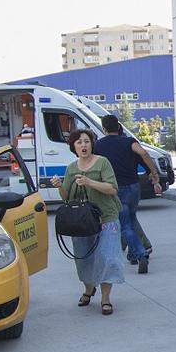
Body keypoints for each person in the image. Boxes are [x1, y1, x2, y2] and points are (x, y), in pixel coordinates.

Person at [50, 129, 123, 316]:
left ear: (92, 144)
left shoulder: (102, 163)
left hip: (106, 218)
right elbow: (67, 197)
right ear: (73, 147)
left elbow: (112, 189)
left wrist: (89, 182)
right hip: (82, 222)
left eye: (87, 141)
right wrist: (59, 186)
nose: (83, 145)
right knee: (83, 258)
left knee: (107, 257)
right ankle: (89, 289)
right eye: (79, 142)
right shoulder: (71, 168)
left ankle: (105, 298)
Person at [93, 114, 160, 274]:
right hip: (134, 187)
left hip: (115, 189)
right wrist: (154, 173)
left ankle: (141, 253)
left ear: (104, 129)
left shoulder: (99, 145)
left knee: (125, 225)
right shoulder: (129, 141)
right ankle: (133, 253)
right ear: (118, 127)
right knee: (131, 217)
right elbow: (143, 153)